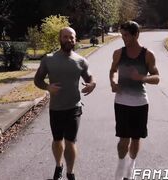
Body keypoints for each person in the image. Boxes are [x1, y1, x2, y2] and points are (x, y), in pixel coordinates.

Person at [34, 27, 96, 180]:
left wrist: (92, 84)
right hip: (56, 108)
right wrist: (48, 87)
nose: (69, 40)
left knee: (71, 141)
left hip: (74, 107)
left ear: (75, 39)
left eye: (72, 37)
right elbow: (37, 80)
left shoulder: (81, 61)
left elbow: (89, 78)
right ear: (60, 39)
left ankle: (70, 172)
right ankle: (58, 165)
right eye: (65, 37)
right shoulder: (49, 59)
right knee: (57, 140)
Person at [109, 21, 160, 180]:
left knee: (136, 138)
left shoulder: (148, 54)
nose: (123, 38)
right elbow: (113, 70)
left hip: (140, 103)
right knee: (123, 139)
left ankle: (131, 168)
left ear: (136, 34)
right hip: (121, 102)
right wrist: (113, 81)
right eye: (122, 35)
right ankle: (121, 165)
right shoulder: (118, 53)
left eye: (126, 35)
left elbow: (157, 78)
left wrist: (142, 78)